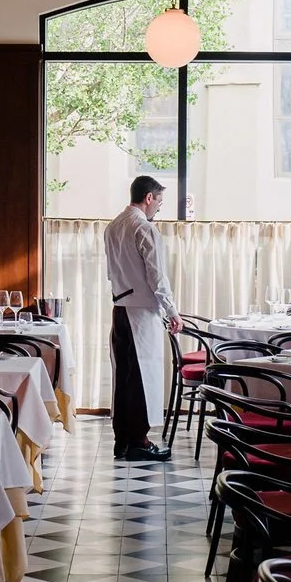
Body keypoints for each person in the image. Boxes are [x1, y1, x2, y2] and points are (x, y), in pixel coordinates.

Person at [104, 173, 181, 462]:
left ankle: (121, 440)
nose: (159, 207)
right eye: (159, 201)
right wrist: (172, 311)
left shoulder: (112, 227)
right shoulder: (145, 229)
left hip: (120, 308)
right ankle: (139, 440)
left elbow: (113, 271)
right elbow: (157, 277)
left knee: (123, 375)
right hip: (141, 312)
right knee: (141, 376)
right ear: (149, 198)